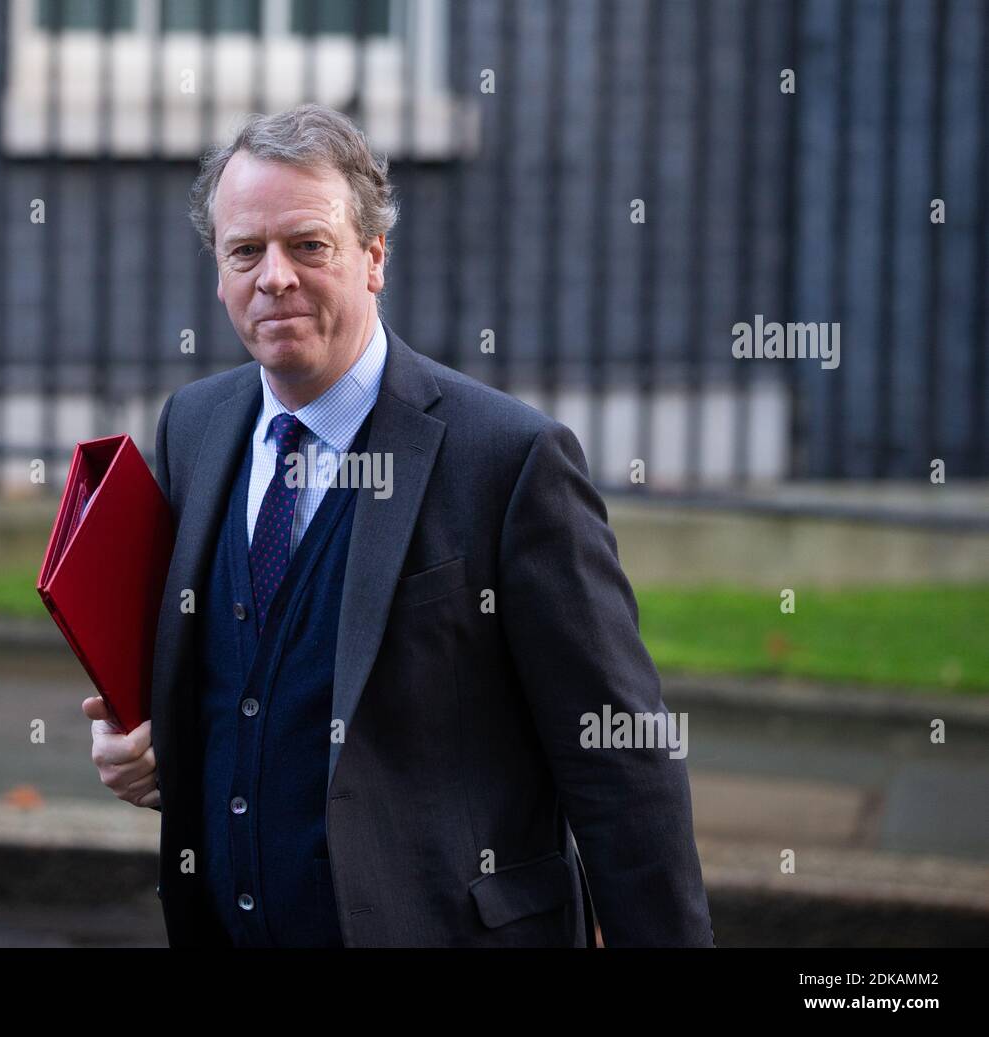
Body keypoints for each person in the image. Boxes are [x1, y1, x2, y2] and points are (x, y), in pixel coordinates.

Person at [85, 103, 713, 948]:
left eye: (309, 245)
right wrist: (148, 750)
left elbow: (623, 762)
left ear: (374, 255)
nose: (274, 277)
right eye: (246, 251)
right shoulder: (193, 427)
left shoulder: (510, 459)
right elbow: (235, 690)